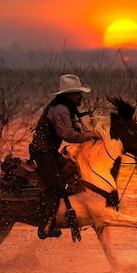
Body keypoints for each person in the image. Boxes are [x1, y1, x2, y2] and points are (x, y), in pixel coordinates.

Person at [29, 74, 96, 239]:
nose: (80, 96)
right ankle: (46, 225)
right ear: (69, 95)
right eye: (77, 93)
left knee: (73, 175)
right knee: (56, 184)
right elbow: (68, 135)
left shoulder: (65, 108)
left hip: (49, 150)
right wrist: (92, 134)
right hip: (43, 152)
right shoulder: (61, 109)